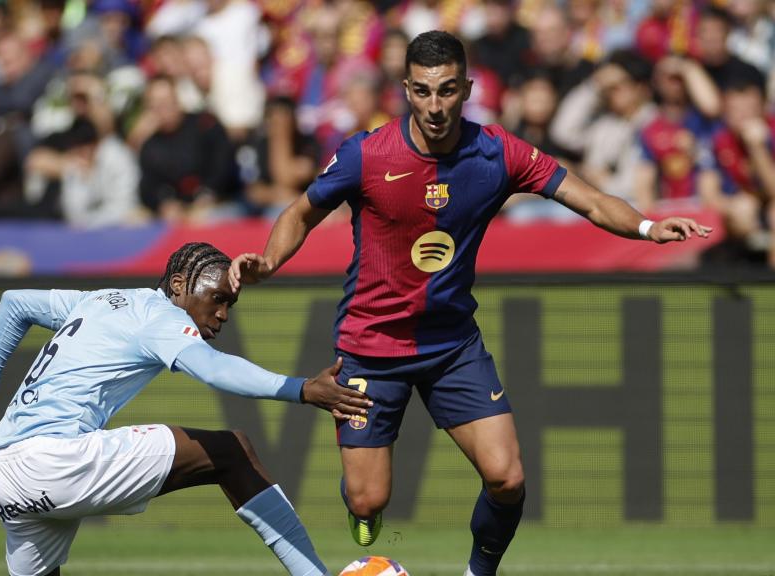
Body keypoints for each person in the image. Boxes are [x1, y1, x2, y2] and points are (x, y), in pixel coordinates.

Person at [228, 31, 711, 576]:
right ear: (406, 90)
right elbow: (299, 213)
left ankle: (478, 573)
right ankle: (361, 507)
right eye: (423, 91)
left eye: (448, 91)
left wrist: (648, 226)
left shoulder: (498, 152)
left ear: (468, 89)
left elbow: (593, 201)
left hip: (452, 345)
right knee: (368, 500)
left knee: (507, 478)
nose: (435, 106)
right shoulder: (367, 153)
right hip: (371, 346)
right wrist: (267, 263)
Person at [0, 242, 372, 576]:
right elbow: (216, 371)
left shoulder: (100, 299)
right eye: (217, 298)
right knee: (232, 451)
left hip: (7, 475)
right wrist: (302, 390)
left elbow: (14, 303)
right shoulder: (161, 317)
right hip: (53, 459)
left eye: (230, 305)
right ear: (179, 286)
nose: (222, 314)